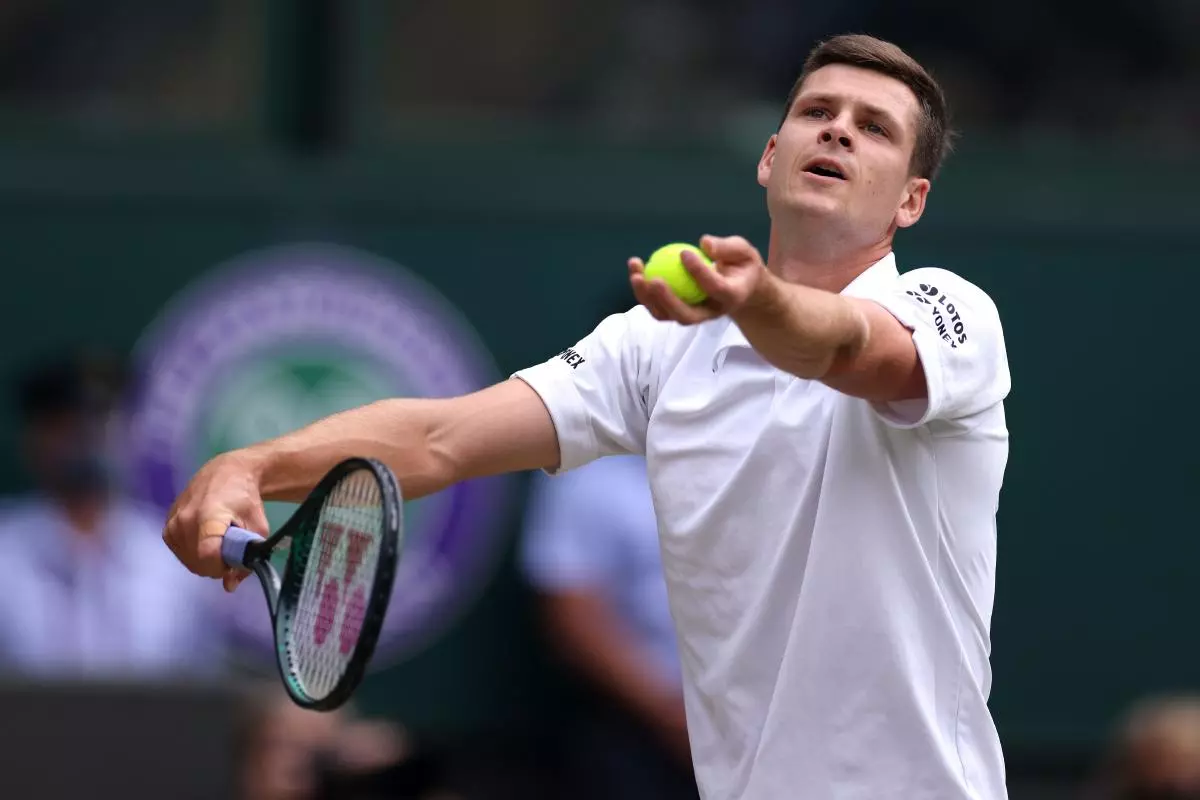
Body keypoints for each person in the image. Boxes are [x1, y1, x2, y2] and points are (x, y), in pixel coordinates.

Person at [163, 33, 1011, 800]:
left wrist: (764, 303)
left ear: (911, 201)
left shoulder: (948, 311)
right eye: (817, 112)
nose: (837, 132)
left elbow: (852, 350)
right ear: (769, 154)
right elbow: (442, 437)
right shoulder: (657, 346)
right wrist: (253, 467)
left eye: (874, 128)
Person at [0, 351, 225, 679]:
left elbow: (204, 695)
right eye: (64, 422)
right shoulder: (7, 550)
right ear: (33, 436)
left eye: (103, 416)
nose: (86, 435)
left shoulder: (173, 558)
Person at [521, 447, 697, 799]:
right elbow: (573, 616)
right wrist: (674, 716)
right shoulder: (589, 474)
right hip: (644, 729)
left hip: (770, 718)